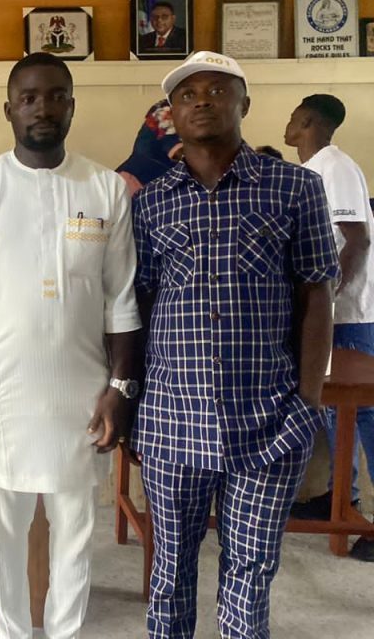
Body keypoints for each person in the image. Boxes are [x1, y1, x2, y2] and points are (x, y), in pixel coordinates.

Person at [132, 51, 339, 638]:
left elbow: (317, 294)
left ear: (245, 102)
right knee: (170, 573)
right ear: (172, 113)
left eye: (217, 90)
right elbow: (139, 306)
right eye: (187, 94)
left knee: (250, 573)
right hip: (172, 422)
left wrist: (308, 402)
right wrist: (135, 404)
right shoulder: (150, 202)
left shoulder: (295, 188)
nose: (201, 101)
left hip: (269, 422)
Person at [0, 52, 141, 639]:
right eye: (29, 98)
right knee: (4, 535)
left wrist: (119, 390)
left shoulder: (105, 190)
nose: (43, 108)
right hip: (0, 395)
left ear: (72, 107)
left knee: (75, 536)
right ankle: (12, 633)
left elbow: (121, 302)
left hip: (82, 398)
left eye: (56, 96)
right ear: (8, 109)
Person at [284, 94, 374, 561]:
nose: (287, 126)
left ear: (307, 121)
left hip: (349, 316)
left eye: (292, 118)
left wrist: (328, 298)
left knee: (363, 413)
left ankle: (356, 509)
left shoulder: (332, 167)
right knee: (336, 413)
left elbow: (356, 239)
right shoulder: (313, 170)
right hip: (333, 316)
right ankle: (341, 500)